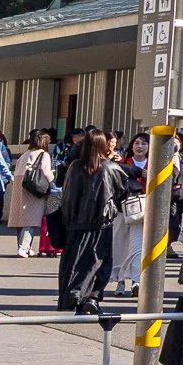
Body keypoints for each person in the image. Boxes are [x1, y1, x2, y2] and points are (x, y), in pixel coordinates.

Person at [56, 132, 125, 313]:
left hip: (75, 224)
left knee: (75, 261)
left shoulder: (74, 167)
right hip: (101, 225)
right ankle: (93, 297)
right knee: (99, 261)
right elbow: (123, 190)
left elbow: (66, 194)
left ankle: (74, 296)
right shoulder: (110, 168)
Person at [109, 135, 150, 296]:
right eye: (137, 143)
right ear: (131, 146)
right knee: (120, 245)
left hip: (144, 210)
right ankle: (119, 282)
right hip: (122, 209)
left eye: (144, 143)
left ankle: (136, 281)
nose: (140, 146)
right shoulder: (123, 162)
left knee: (137, 247)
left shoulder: (155, 163)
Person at [6, 130, 55, 257]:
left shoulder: (25, 154)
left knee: (21, 219)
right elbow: (46, 172)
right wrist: (53, 182)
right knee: (32, 219)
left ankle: (23, 247)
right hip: (34, 189)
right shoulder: (44, 155)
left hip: (20, 185)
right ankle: (24, 247)